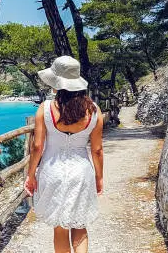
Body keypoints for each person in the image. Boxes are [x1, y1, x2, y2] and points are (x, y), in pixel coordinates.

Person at [24, 56, 104, 253]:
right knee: (80, 226)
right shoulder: (94, 111)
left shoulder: (46, 108)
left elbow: (37, 146)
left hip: (52, 172)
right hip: (82, 173)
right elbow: (97, 150)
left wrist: (31, 175)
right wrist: (99, 177)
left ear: (57, 83)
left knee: (60, 230)